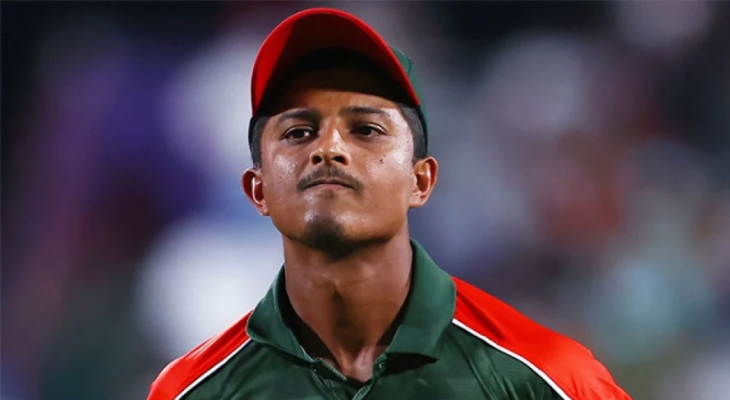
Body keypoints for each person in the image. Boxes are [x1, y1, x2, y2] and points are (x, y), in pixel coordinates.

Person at [146, 7, 631, 400]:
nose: (329, 149)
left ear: (421, 180)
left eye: (366, 129)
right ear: (257, 189)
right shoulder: (191, 390)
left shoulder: (546, 379)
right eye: (298, 131)